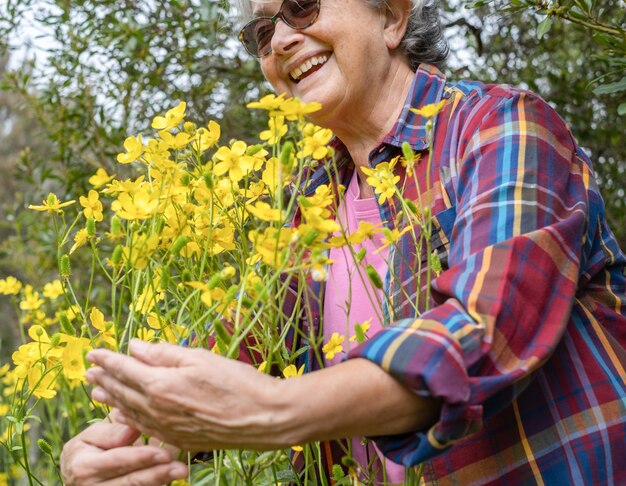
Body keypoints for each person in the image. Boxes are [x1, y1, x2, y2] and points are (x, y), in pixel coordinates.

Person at [60, 0, 626, 484]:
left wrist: (275, 410)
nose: (281, 39)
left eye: (303, 4)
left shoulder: (501, 127)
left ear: (392, 17)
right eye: (262, 32)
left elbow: (480, 331)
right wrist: (123, 441)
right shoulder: (309, 201)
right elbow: (243, 348)